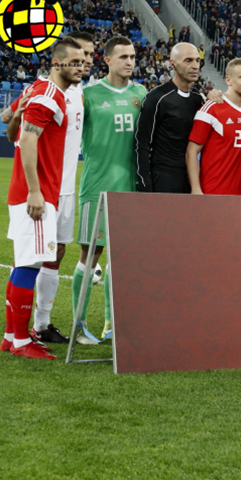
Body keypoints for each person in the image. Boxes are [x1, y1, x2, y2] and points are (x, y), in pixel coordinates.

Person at [1, 31, 94, 345]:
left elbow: (16, 129)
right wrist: (34, 190)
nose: (83, 65)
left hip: (56, 188)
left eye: (86, 59)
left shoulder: (65, 92)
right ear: (57, 62)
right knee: (29, 262)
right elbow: (23, 136)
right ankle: (20, 339)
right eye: (77, 59)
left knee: (40, 257)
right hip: (41, 189)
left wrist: (16, 117)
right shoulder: (47, 93)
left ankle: (16, 334)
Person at [72, 36, 147, 343]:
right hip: (96, 188)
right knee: (89, 256)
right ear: (107, 60)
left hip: (130, 190)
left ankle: (110, 324)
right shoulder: (88, 95)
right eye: (123, 57)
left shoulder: (141, 93)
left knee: (121, 259)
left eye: (132, 57)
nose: (129, 62)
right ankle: (78, 324)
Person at [135, 42, 206, 193]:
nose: (195, 66)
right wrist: (144, 182)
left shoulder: (198, 100)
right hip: (163, 177)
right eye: (188, 60)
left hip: (191, 177)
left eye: (197, 60)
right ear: (172, 64)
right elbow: (142, 143)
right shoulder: (157, 98)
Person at [186, 58, 241, 196]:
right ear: (228, 80)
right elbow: (191, 152)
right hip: (213, 192)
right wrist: (196, 189)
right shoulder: (212, 108)